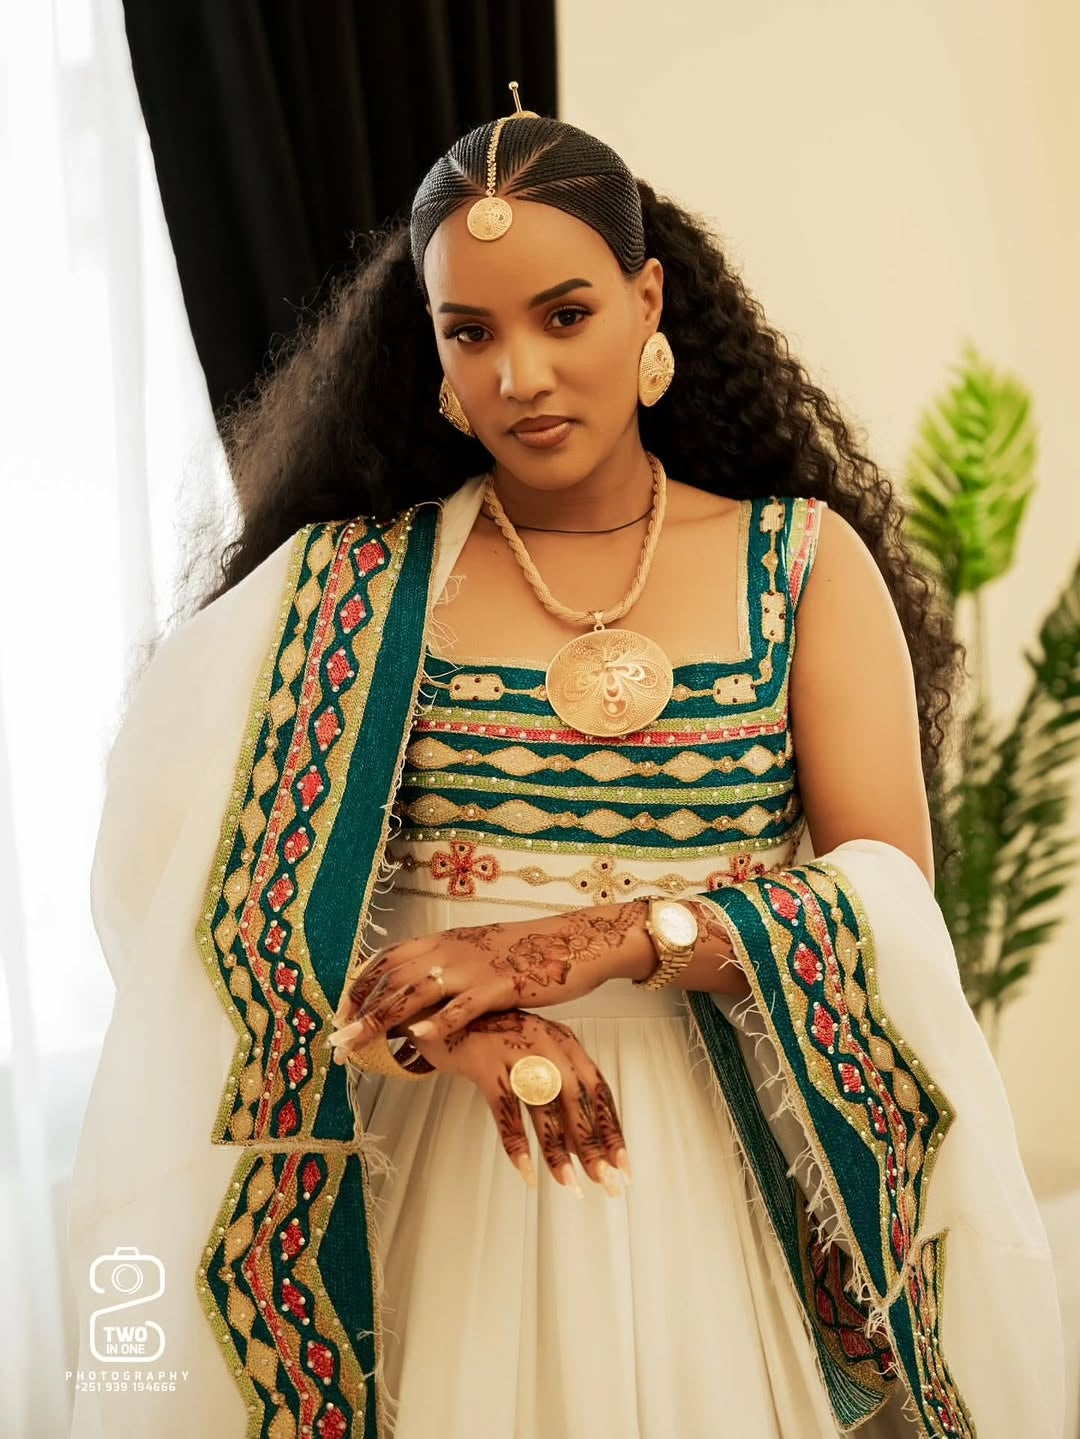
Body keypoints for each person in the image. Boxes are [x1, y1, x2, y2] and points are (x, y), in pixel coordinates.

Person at [67, 89, 1064, 1439]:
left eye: (565, 314)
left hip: (716, 1179)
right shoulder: (349, 588)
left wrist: (569, 949)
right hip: (438, 1169)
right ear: (433, 352)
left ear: (649, 302)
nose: (521, 375)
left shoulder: (801, 565)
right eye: (471, 332)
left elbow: (884, 902)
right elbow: (211, 915)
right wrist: (460, 1030)